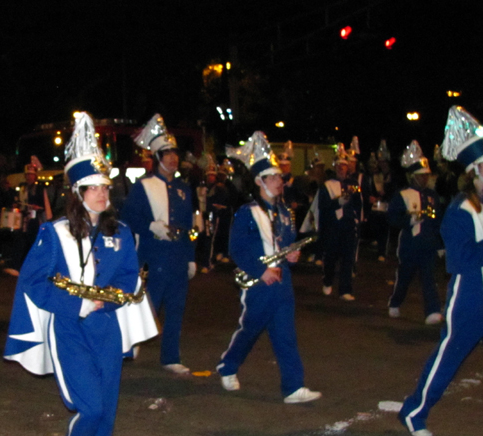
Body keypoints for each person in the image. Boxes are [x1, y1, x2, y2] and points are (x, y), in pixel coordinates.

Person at [4, 112, 157, 436]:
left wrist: (108, 296)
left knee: (106, 409)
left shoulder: (119, 232)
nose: (103, 194)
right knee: (89, 407)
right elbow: (33, 283)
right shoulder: (52, 233)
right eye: (94, 188)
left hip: (107, 326)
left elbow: (127, 276)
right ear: (77, 192)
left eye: (106, 187)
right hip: (69, 328)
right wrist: (77, 302)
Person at [398, 106, 483, 436]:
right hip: (468, 298)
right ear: (475, 168)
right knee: (448, 359)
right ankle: (414, 411)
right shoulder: (459, 210)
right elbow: (462, 260)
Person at [216, 132, 321, 404]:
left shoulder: (285, 211)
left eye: (280, 178)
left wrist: (293, 255)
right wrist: (260, 271)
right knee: (250, 330)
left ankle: (293, 387)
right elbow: (236, 249)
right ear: (260, 182)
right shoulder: (247, 212)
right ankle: (228, 366)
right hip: (259, 283)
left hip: (282, 282)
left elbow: (285, 243)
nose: (280, 182)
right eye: (273, 178)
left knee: (286, 335)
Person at [121, 114, 196, 374]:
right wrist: (150, 226)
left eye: (175, 153)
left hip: (176, 255)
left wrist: (191, 257)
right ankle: (130, 344)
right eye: (167, 154)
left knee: (176, 307)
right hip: (153, 255)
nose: (173, 158)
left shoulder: (184, 189)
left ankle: (171, 356)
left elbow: (187, 227)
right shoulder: (143, 185)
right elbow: (128, 218)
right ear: (157, 157)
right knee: (146, 304)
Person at [386, 141, 444, 324]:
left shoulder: (432, 196)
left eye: (426, 175)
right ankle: (395, 302)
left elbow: (438, 221)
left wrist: (441, 244)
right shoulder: (402, 194)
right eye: (420, 176)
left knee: (428, 277)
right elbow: (392, 218)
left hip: (428, 244)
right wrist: (408, 221)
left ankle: (432, 310)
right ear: (412, 176)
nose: (424, 179)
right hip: (410, 245)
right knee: (404, 277)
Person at [318, 143, 362, 300]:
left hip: (348, 225)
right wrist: (337, 203)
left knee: (348, 258)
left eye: (344, 166)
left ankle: (345, 290)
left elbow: (358, 204)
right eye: (339, 166)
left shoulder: (353, 184)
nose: (341, 169)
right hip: (333, 226)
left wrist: (357, 218)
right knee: (330, 257)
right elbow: (322, 206)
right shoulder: (327, 185)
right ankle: (328, 280)